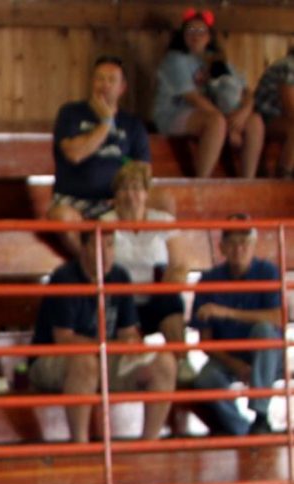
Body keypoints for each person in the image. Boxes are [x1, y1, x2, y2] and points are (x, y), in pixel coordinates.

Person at [29, 227, 176, 443]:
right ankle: (81, 447)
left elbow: (128, 331)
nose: (106, 253)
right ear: (84, 248)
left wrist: (132, 344)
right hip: (53, 360)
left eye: (110, 245)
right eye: (99, 246)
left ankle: (149, 445)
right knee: (84, 363)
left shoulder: (119, 276)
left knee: (164, 362)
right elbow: (64, 339)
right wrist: (110, 345)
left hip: (105, 357)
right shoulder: (65, 278)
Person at [189, 215, 286, 436]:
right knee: (205, 379)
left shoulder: (267, 272)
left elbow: (277, 318)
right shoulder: (208, 280)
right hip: (227, 357)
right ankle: (244, 431)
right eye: (232, 242)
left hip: (268, 355)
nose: (238, 248)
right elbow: (205, 341)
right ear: (222, 247)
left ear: (253, 245)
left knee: (263, 331)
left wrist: (226, 312)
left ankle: (260, 415)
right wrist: (235, 365)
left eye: (244, 242)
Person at [48, 55, 152, 251]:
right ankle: (91, 266)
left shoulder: (133, 125)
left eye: (111, 80)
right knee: (61, 217)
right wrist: (105, 123)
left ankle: (138, 265)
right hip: (73, 200)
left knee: (163, 201)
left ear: (122, 88)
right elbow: (74, 154)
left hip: (117, 200)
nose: (104, 85)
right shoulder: (71, 113)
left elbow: (143, 172)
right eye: (99, 78)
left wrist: (125, 194)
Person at [96, 161, 192, 374]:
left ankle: (182, 361)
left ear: (147, 193)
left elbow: (180, 264)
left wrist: (170, 285)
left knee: (170, 300)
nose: (131, 194)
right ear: (116, 194)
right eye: (124, 188)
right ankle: (134, 368)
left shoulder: (164, 221)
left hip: (156, 294)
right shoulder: (104, 223)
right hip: (121, 298)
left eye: (137, 188)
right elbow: (99, 266)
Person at [153, 9, 263, 179]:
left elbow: (245, 90)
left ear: (209, 36)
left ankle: (247, 182)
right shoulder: (175, 60)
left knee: (255, 122)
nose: (196, 36)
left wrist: (245, 111)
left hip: (212, 114)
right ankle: (202, 183)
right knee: (216, 122)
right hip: (173, 114)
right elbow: (194, 99)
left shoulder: (216, 59)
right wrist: (229, 126)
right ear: (183, 35)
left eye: (201, 31)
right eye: (190, 31)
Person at [253, 39, 294, 178]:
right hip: (265, 117)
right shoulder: (289, 65)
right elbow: (291, 109)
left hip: (281, 117)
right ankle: (285, 175)